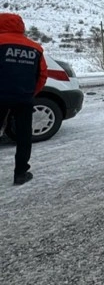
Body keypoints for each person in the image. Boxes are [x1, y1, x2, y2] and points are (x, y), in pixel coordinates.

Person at [0, 13, 48, 185]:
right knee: (24, 136)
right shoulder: (35, 48)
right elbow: (42, 74)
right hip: (24, 97)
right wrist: (31, 93)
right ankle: (20, 173)